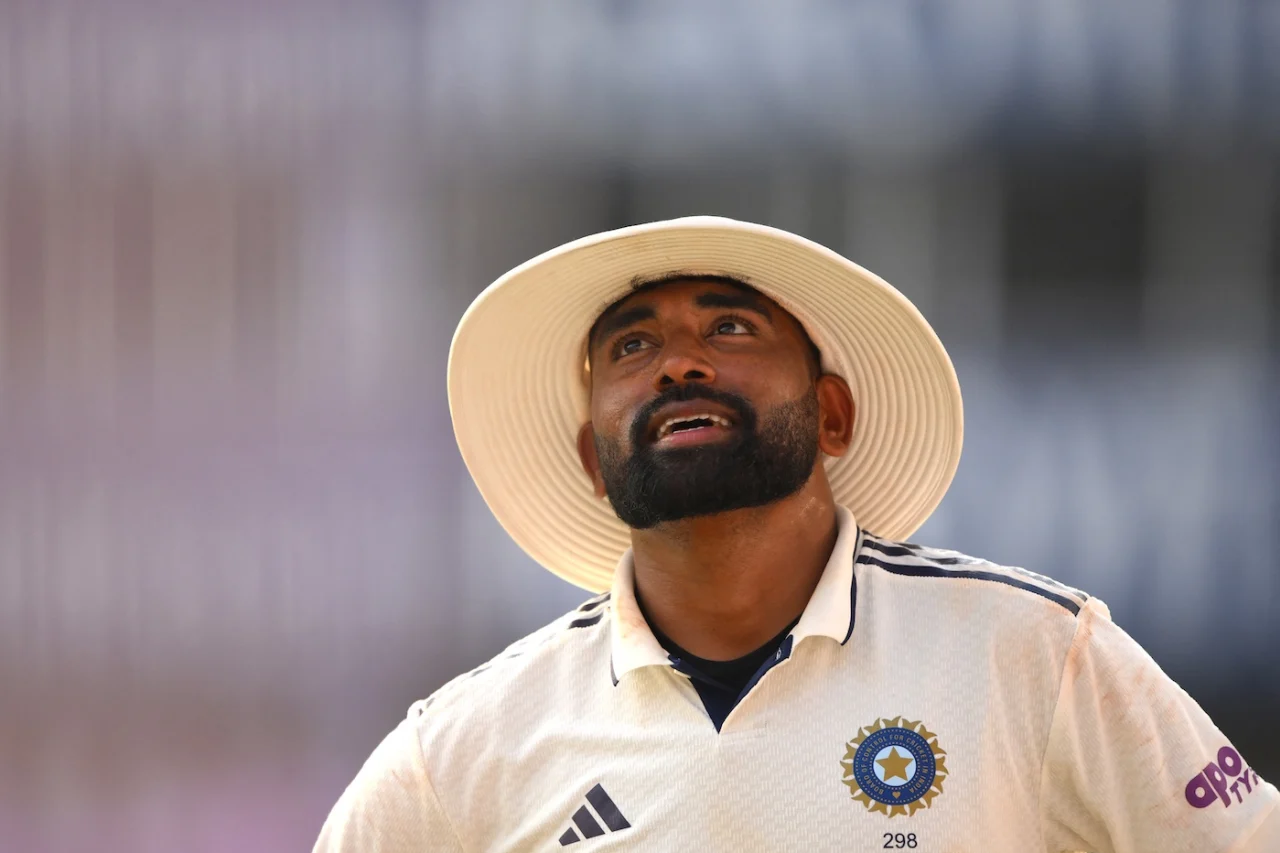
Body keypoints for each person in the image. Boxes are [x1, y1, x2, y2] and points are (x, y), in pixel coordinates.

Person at [313, 217, 1279, 851]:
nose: (678, 365)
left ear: (832, 415)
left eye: (730, 328)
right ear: (591, 459)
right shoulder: (463, 750)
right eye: (633, 346)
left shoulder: (1030, 653)